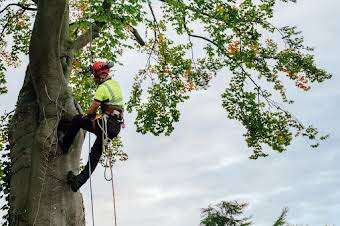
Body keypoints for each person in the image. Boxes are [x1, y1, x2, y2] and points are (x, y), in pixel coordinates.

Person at [60, 61, 124, 192]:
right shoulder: (115, 84)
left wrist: (88, 115)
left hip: (106, 124)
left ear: (100, 76)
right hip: (114, 127)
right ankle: (78, 182)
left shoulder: (103, 88)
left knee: (78, 120)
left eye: (95, 76)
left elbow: (94, 106)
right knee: (94, 155)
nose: (94, 79)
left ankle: (65, 145)